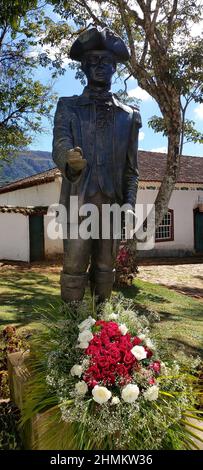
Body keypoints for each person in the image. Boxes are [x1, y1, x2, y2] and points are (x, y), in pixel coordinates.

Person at [52, 27, 142, 303]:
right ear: (84, 68)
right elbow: (60, 144)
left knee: (106, 269)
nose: (100, 67)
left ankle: (101, 329)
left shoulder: (129, 116)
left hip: (112, 205)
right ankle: (71, 333)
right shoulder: (68, 106)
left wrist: (128, 203)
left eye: (106, 62)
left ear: (115, 67)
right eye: (93, 62)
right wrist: (70, 159)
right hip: (79, 202)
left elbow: (132, 169)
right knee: (74, 269)